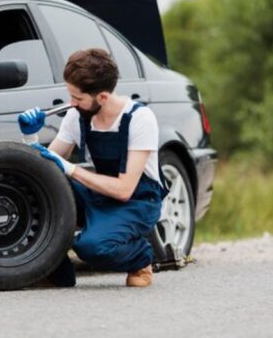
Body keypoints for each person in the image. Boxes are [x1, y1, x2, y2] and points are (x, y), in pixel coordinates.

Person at [18, 48, 167, 288]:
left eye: (77, 98)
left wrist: (70, 169)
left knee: (93, 247)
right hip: (100, 192)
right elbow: (45, 167)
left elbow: (124, 190)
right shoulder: (77, 115)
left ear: (103, 98)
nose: (71, 103)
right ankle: (56, 272)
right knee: (38, 185)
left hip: (137, 201)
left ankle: (141, 257)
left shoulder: (140, 118)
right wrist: (30, 138)